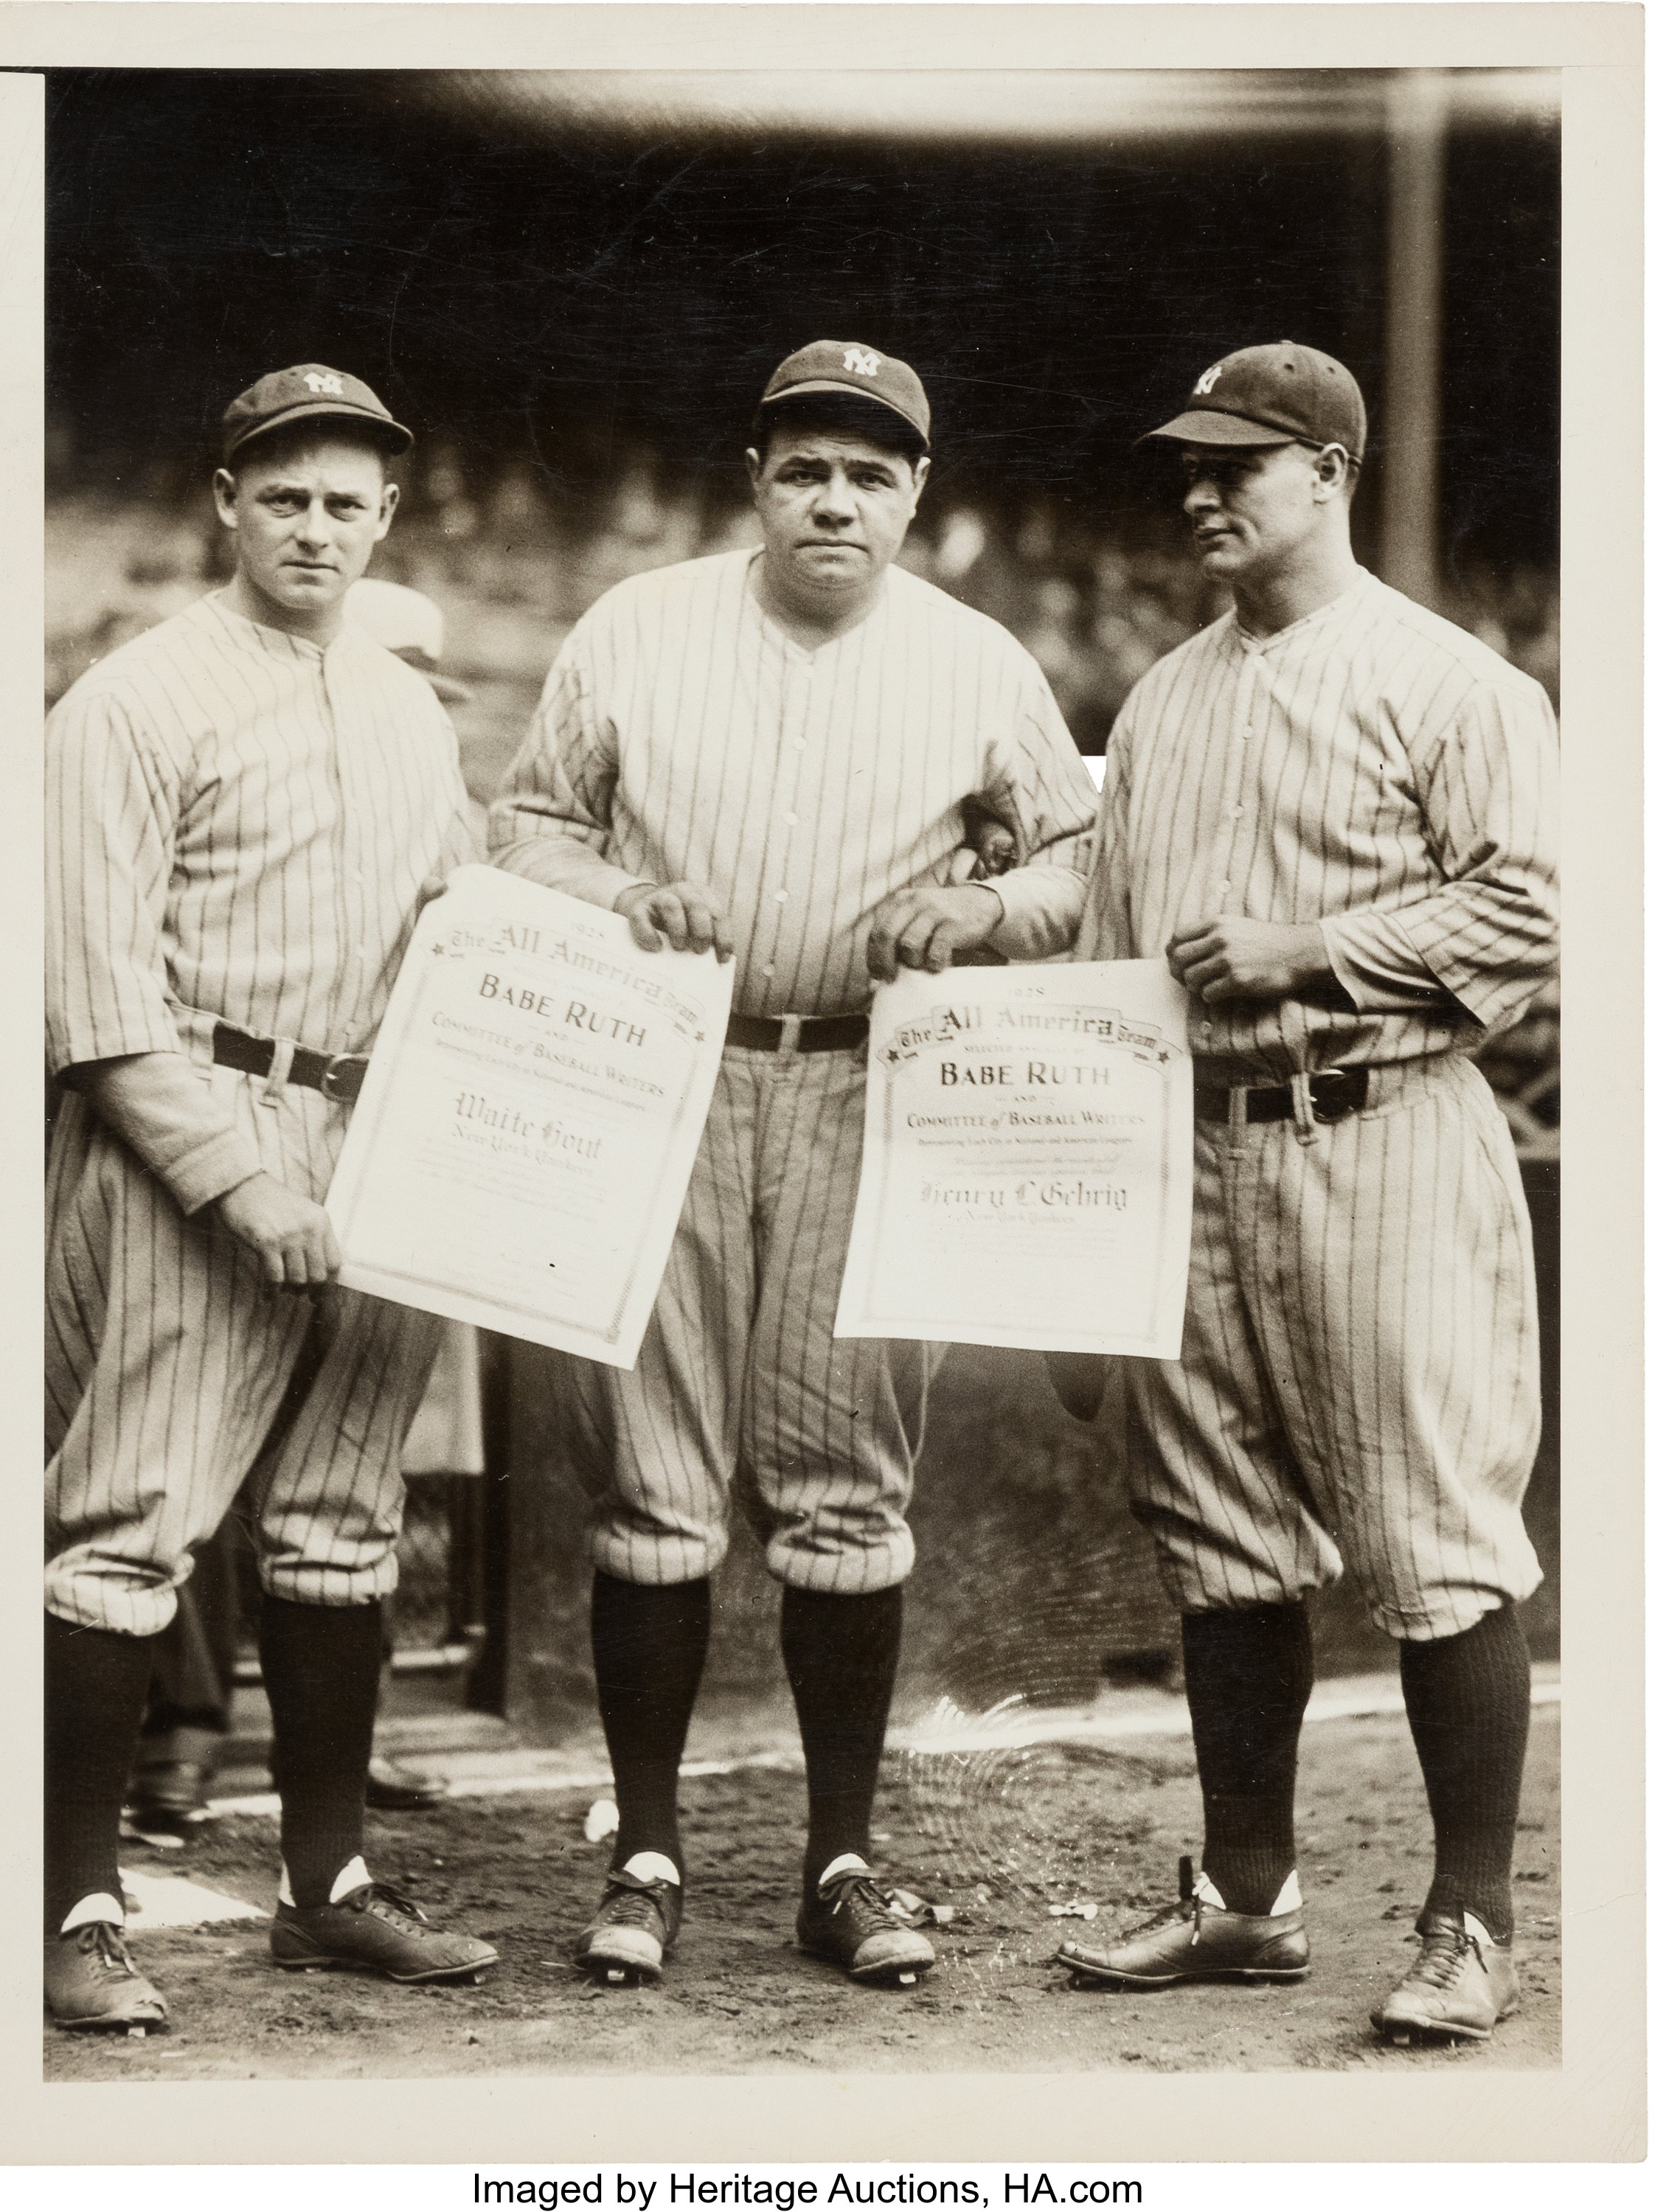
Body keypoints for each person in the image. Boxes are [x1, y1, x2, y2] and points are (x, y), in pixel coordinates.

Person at [487, 339, 1097, 1987]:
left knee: (844, 1492)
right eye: (805, 466)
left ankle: (842, 1855)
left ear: (916, 495)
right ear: (755, 479)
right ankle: (644, 1853)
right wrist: (615, 896)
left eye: (870, 473)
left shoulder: (975, 660)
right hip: (666, 1072)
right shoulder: (636, 628)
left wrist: (981, 911)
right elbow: (527, 827)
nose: (836, 497)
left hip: (861, 1077)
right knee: (655, 1488)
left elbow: (1078, 859)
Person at [1047, 343, 1558, 2045]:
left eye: (1237, 464)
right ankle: (1244, 1898)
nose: (1199, 490)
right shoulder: (1165, 696)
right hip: (1191, 1142)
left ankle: (1471, 1921)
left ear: (1328, 471)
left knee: (1433, 1536)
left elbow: (1538, 914)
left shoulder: (1452, 684)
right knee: (1218, 1533)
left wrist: (1317, 944)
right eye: (1184, 464)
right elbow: (1110, 935)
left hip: (1382, 1122)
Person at [44, 364, 499, 2030]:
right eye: (285, 494)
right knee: (130, 1530)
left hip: (377, 1135)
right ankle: (73, 1906)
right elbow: (95, 1008)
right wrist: (242, 1186)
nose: (316, 525)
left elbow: (462, 929)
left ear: (389, 517)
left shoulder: (398, 704)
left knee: (337, 1531)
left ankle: (326, 1884)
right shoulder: (129, 702)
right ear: (224, 502)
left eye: (347, 499)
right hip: (195, 1129)